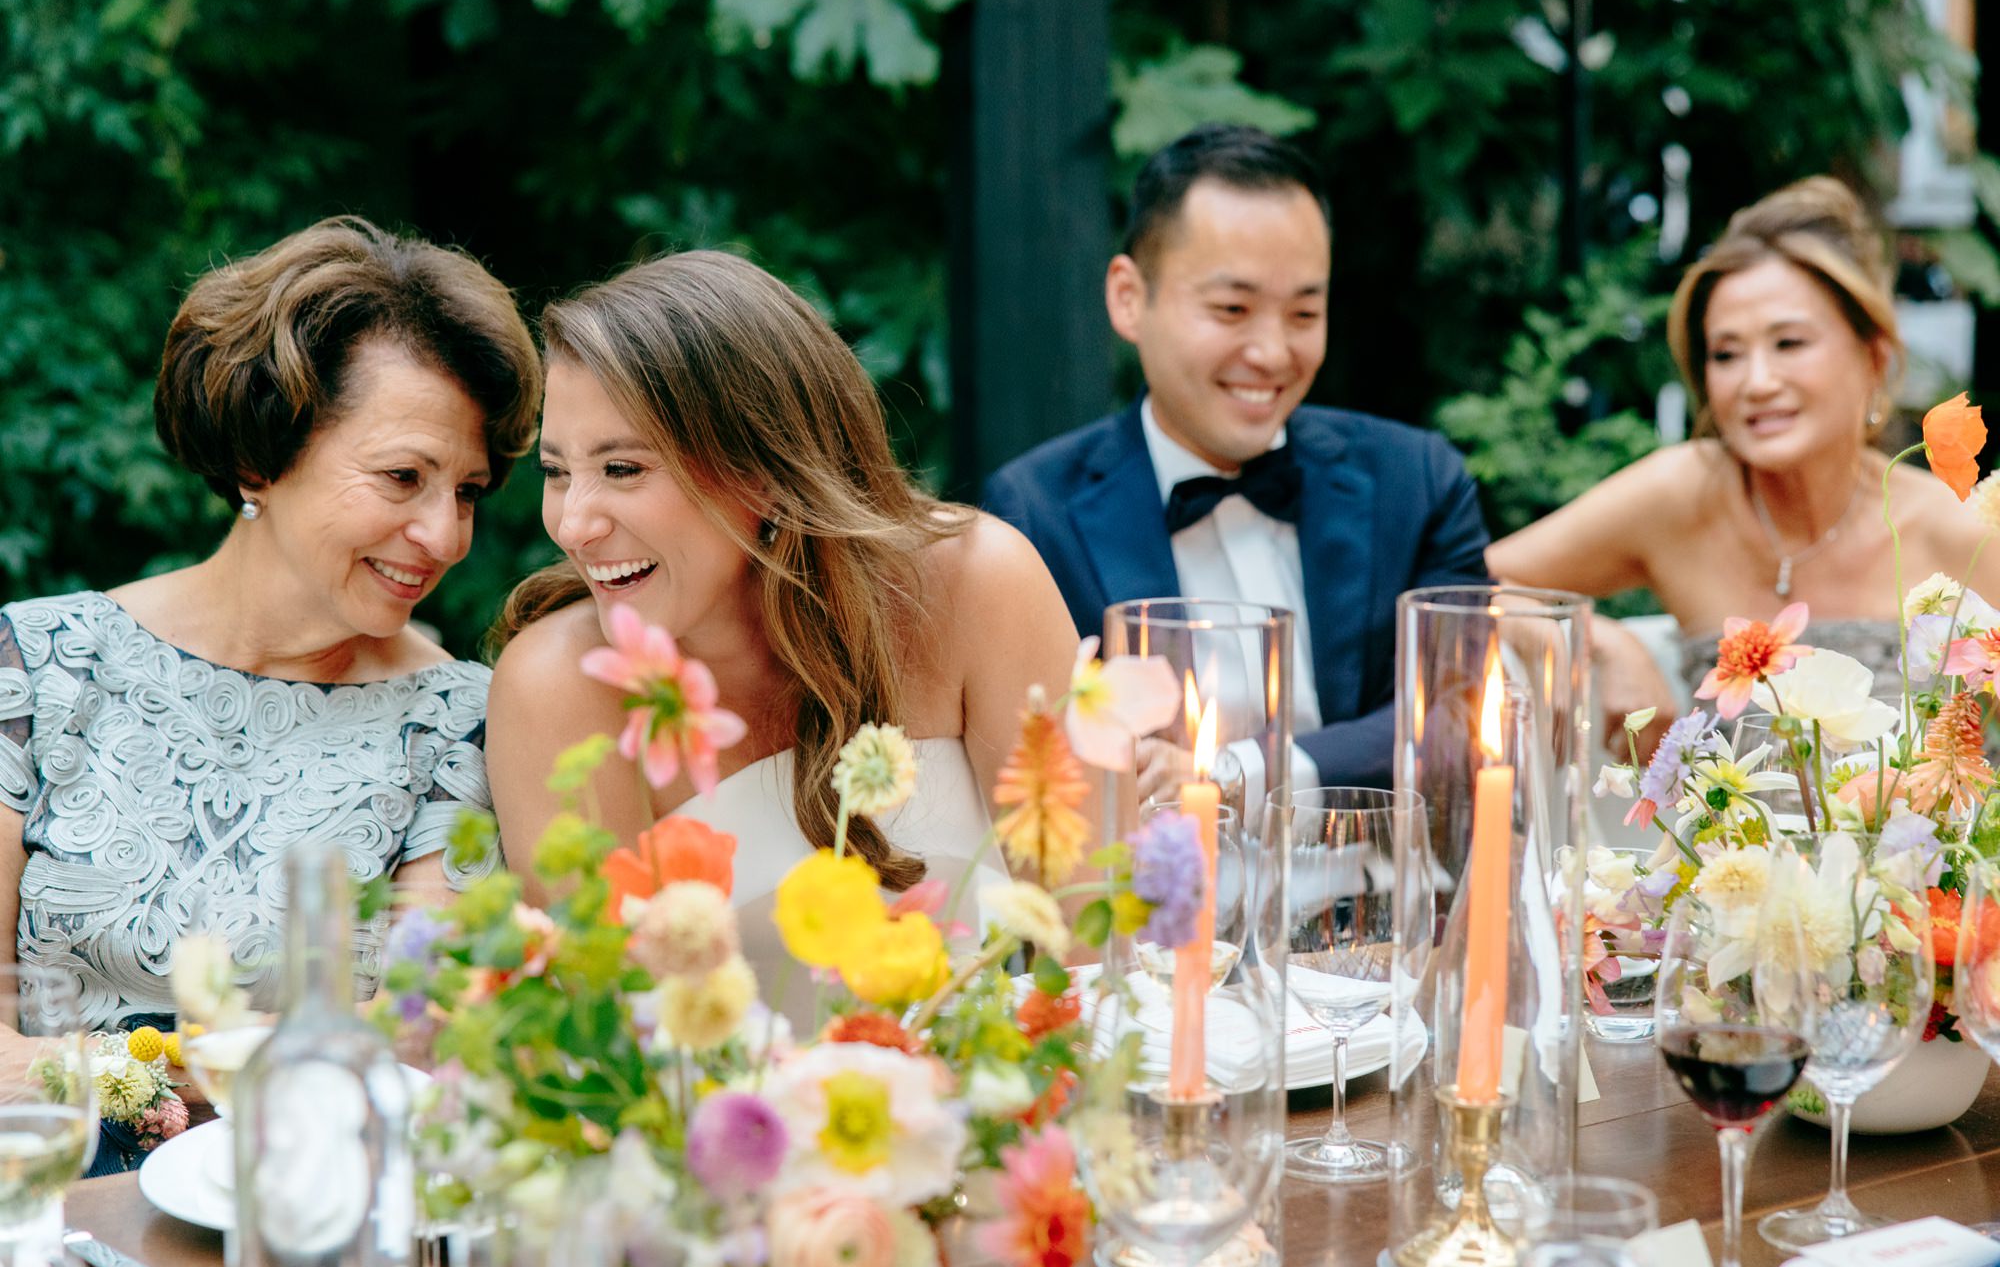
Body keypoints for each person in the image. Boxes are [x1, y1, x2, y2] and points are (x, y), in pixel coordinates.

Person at [0, 217, 540, 1163]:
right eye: (404, 477)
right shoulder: (37, 664)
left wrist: (114, 1068)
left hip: (298, 1205)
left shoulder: (460, 720)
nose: (446, 536)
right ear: (260, 454)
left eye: (467, 490)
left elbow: (413, 1041)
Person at [485, 250, 1077, 1012]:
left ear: (763, 468)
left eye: (623, 469)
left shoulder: (978, 585)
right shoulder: (558, 689)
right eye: (557, 471)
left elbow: (1099, 945)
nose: (573, 524)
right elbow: (610, 1040)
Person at [983, 123, 1492, 791]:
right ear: (1129, 299)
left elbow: (1458, 709)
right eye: (1232, 308)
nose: (1273, 352)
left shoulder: (1417, 481)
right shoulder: (1032, 517)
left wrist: (1235, 774)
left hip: (1381, 890)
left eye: (1304, 314)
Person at [1488, 176, 2000, 738]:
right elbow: (1469, 580)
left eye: (1789, 344)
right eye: (1727, 354)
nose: (1756, 383)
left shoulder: (1958, 530)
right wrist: (1596, 642)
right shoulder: (1682, 495)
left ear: (1873, 358)